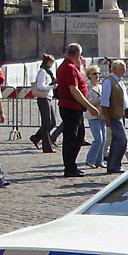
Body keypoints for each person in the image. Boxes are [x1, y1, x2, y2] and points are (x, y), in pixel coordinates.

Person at [56, 43, 100, 177]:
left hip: (73, 106)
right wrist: (89, 105)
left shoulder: (70, 67)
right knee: (72, 137)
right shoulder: (69, 68)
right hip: (71, 106)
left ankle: (71, 165)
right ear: (78, 55)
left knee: (78, 136)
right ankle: (69, 167)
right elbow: (74, 90)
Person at [101, 60, 128, 174]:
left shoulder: (119, 81)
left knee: (116, 140)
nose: (124, 71)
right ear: (114, 69)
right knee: (122, 139)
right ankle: (115, 164)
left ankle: (113, 164)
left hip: (120, 114)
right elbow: (105, 101)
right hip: (113, 115)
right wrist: (107, 117)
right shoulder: (109, 82)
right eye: (122, 69)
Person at [30, 54, 57, 153]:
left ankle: (36, 138)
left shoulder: (47, 72)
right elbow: (40, 86)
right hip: (43, 98)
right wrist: (51, 87)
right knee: (46, 123)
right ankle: (46, 146)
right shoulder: (42, 72)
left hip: (48, 98)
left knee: (52, 122)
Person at [84, 65, 106, 168]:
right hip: (93, 114)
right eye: (94, 73)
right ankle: (90, 159)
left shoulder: (100, 86)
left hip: (102, 114)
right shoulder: (88, 87)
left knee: (104, 139)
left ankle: (99, 160)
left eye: (98, 73)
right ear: (89, 75)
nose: (97, 75)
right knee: (98, 138)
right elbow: (87, 101)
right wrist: (98, 101)